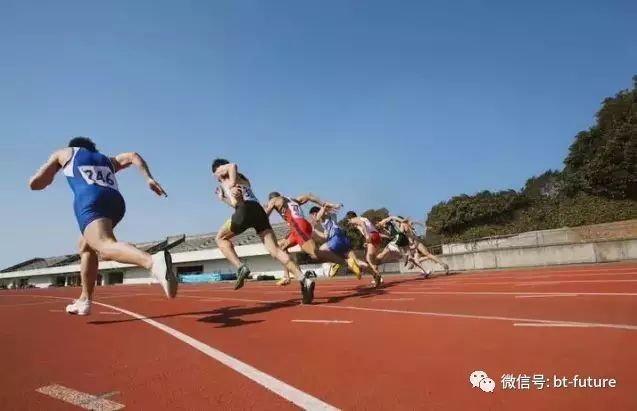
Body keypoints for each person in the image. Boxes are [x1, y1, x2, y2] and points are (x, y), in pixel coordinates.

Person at [28, 137, 177, 316]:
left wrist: (44, 172)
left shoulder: (65, 152)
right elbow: (132, 156)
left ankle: (152, 261)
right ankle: (85, 300)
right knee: (85, 245)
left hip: (90, 200)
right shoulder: (107, 160)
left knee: (104, 246)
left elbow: (38, 183)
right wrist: (148, 178)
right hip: (115, 202)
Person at [211, 159, 314, 304]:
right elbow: (237, 204)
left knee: (220, 238)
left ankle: (240, 267)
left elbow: (232, 165)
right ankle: (304, 279)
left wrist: (230, 184)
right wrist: (223, 199)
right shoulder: (243, 178)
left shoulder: (222, 173)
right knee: (276, 251)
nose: (217, 177)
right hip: (257, 210)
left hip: (245, 209)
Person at [264, 192, 361, 285]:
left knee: (315, 253)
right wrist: (323, 204)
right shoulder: (293, 200)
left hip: (298, 226)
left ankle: (346, 262)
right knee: (281, 248)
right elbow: (309, 196)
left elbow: (265, 216)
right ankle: (286, 276)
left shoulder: (274, 200)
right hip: (299, 226)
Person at [308, 205, 374, 281]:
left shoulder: (322, 216)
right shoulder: (328, 219)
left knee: (320, 251)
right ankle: (374, 274)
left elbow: (322, 210)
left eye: (312, 215)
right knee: (356, 261)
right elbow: (326, 236)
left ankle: (337, 264)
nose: (312, 217)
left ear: (314, 213)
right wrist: (314, 230)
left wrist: (330, 205)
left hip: (336, 239)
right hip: (343, 239)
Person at [345, 211, 383, 287]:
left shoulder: (354, 219)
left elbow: (362, 224)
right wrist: (367, 241)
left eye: (348, 220)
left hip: (371, 235)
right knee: (372, 260)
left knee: (369, 259)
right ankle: (377, 278)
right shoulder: (364, 218)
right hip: (376, 236)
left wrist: (366, 235)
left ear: (350, 217)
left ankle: (376, 274)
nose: (349, 222)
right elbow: (368, 227)